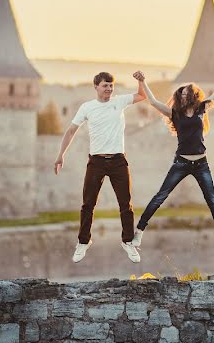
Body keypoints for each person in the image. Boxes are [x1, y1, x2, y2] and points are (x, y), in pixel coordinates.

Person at [131, 60, 214, 252]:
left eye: (186, 95)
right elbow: (153, 102)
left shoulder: (202, 109)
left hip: (201, 163)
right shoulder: (175, 114)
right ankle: (139, 232)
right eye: (181, 95)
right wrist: (143, 82)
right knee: (160, 196)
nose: (183, 97)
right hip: (181, 162)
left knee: (212, 201)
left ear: (192, 96)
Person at [54, 71, 145, 263]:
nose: (109, 89)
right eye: (105, 85)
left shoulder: (119, 102)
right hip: (96, 161)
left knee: (125, 204)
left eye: (111, 85)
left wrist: (141, 81)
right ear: (96, 87)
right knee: (88, 204)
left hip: (118, 160)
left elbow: (142, 96)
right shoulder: (87, 107)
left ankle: (128, 242)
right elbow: (71, 131)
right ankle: (83, 242)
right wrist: (61, 155)